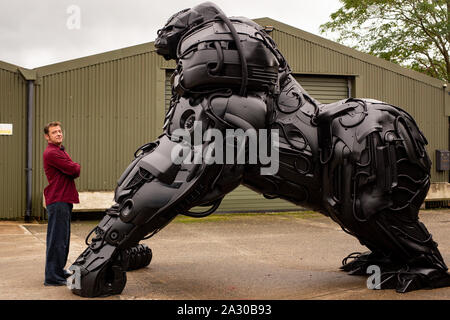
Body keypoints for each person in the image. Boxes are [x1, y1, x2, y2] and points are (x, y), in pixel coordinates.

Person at [43, 121, 81, 286]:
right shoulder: (51, 153)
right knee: (57, 240)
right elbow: (74, 170)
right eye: (54, 132)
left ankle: (58, 271)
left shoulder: (59, 151)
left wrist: (73, 166)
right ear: (47, 137)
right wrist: (75, 165)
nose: (58, 134)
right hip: (58, 200)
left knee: (63, 240)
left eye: (59, 131)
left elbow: (71, 169)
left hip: (64, 199)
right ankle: (52, 277)